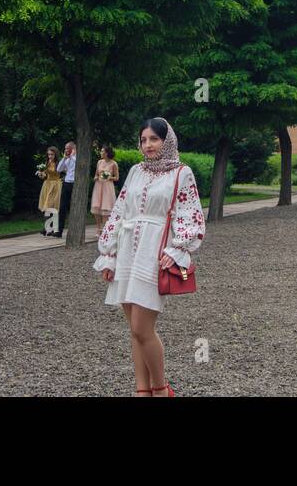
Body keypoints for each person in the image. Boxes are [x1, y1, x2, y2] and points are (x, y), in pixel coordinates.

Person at [95, 117, 204, 397]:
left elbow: (190, 214)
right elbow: (120, 212)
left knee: (142, 328)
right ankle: (141, 391)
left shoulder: (182, 173)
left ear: (166, 141)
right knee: (133, 330)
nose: (148, 145)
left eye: (154, 139)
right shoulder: (135, 171)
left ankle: (160, 388)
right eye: (143, 140)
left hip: (153, 253)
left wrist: (177, 249)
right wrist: (109, 255)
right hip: (128, 251)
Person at [92, 145, 119, 231]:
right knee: (97, 206)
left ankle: (105, 228)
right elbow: (96, 174)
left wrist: (108, 177)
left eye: (102, 151)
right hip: (98, 185)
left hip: (107, 186)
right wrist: (96, 177)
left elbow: (117, 177)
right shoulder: (99, 162)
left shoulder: (113, 163)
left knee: (105, 206)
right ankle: (98, 228)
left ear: (107, 153)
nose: (101, 152)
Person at [54, 141, 77, 238]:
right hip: (67, 183)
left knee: (74, 207)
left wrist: (72, 156)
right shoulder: (66, 159)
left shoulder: (77, 158)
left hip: (76, 184)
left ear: (72, 149)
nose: (65, 150)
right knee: (62, 207)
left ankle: (75, 230)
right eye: (65, 148)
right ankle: (59, 230)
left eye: (67, 148)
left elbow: (77, 163)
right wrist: (64, 158)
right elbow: (59, 169)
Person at [38, 146, 63, 235]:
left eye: (52, 154)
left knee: (53, 207)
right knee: (46, 206)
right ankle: (47, 228)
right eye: (48, 154)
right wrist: (41, 174)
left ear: (55, 154)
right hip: (47, 184)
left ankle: (53, 228)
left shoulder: (58, 163)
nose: (50, 156)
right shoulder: (47, 163)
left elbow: (60, 172)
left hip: (55, 184)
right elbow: (45, 174)